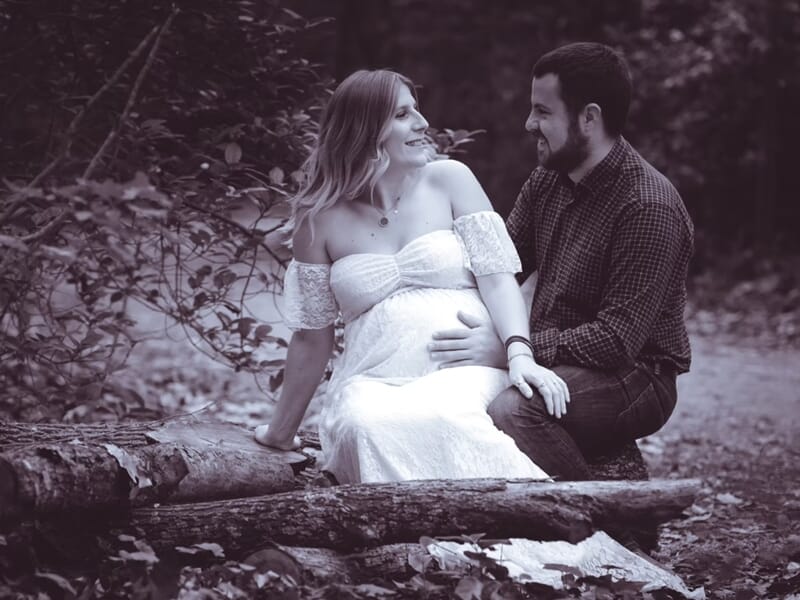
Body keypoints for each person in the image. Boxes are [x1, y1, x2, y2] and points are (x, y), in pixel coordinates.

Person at [254, 68, 570, 484]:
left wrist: (519, 353)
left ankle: (503, 531)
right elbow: (313, 337)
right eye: (404, 115)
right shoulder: (318, 221)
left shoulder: (450, 179)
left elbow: (497, 278)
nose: (423, 124)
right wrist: (281, 432)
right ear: (364, 130)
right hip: (372, 381)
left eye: (416, 110)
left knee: (444, 415)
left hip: (461, 371)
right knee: (364, 425)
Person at [429, 42, 694, 481]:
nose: (529, 123)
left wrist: (516, 347)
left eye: (543, 111)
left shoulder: (648, 206)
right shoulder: (547, 181)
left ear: (589, 117)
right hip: (558, 355)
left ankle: (606, 521)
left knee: (515, 411)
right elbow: (500, 265)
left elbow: (616, 340)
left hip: (637, 376)